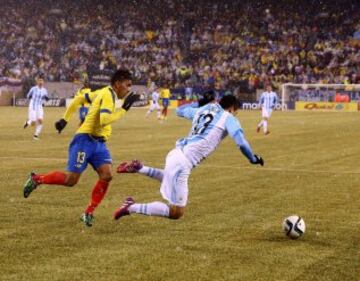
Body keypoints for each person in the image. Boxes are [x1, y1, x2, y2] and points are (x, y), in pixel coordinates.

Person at [113, 94, 264, 221]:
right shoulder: (228, 117)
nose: (234, 114)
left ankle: (140, 168)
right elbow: (241, 143)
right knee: (176, 212)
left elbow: (179, 110)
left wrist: (199, 102)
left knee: (169, 176)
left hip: (176, 153)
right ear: (231, 108)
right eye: (235, 111)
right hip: (184, 161)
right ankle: (131, 207)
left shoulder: (202, 109)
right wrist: (253, 158)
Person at [22, 69, 140, 227]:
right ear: (118, 84)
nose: (129, 89)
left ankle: (88, 213)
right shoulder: (107, 95)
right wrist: (123, 109)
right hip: (84, 140)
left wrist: (65, 119)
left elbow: (78, 99)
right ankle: (37, 179)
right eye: (128, 85)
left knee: (107, 175)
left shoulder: (103, 92)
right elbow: (104, 120)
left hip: (99, 144)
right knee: (70, 180)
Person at [23, 75, 49, 140]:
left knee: (40, 121)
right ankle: (28, 122)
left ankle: (36, 135)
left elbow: (46, 98)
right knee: (33, 123)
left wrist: (45, 100)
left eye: (42, 80)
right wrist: (27, 100)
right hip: (33, 105)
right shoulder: (33, 88)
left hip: (39, 106)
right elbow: (28, 95)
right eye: (39, 80)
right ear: (37, 82)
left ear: (43, 82)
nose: (40, 82)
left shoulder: (44, 90)